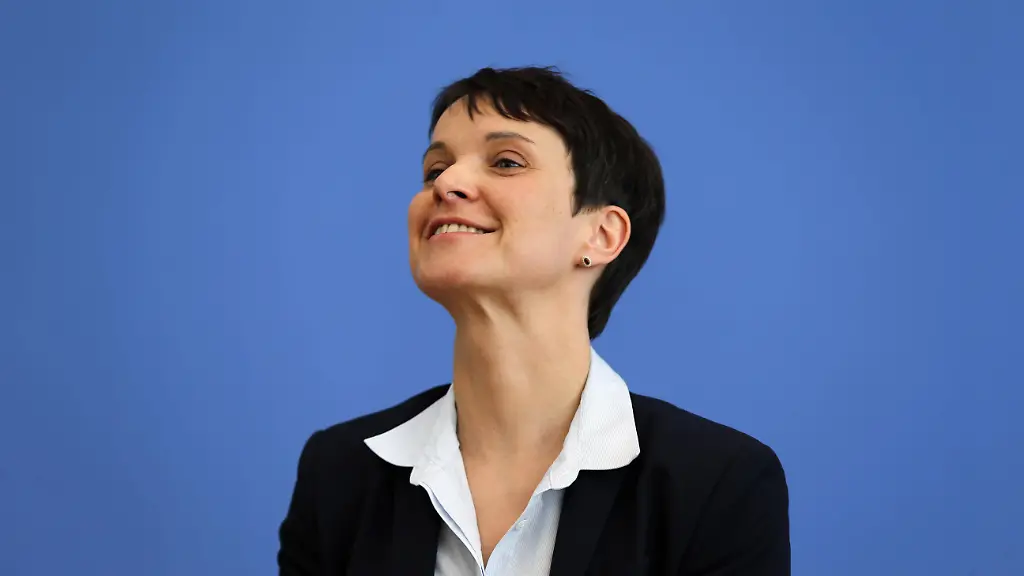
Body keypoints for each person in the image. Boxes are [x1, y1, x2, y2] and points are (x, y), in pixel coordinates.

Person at [278, 66, 790, 576]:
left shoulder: (718, 483)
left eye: (506, 162)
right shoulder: (338, 473)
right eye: (435, 170)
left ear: (602, 236)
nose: (447, 183)